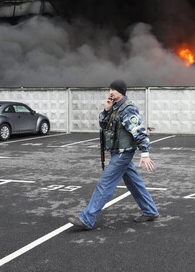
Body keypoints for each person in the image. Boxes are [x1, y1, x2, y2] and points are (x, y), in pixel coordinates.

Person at [68, 79, 159, 230]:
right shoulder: (115, 107)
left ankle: (87, 219)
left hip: (123, 154)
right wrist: (106, 109)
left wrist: (145, 153)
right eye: (110, 89)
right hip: (117, 151)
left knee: (105, 184)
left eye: (113, 90)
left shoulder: (128, 109)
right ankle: (150, 211)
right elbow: (103, 125)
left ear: (121, 92)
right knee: (134, 183)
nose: (110, 92)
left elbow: (139, 131)